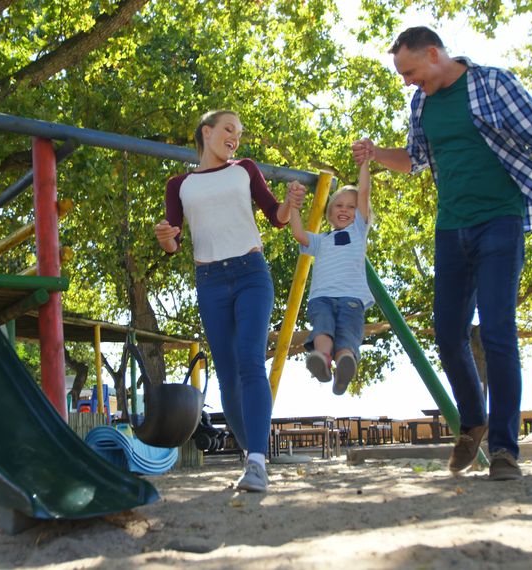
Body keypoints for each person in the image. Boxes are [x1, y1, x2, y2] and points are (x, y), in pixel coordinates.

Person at [352, 26, 532, 481]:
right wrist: (374, 153)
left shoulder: (493, 84)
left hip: (499, 222)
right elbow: (415, 159)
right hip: (451, 229)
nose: (407, 81)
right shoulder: (422, 103)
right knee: (448, 333)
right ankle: (473, 421)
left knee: (499, 331)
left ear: (433, 53)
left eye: (410, 71)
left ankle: (505, 450)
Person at [154, 110, 305, 493]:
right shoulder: (179, 185)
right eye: (228, 129)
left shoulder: (245, 169)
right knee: (227, 377)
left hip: (251, 273)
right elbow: (172, 243)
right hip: (210, 281)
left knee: (251, 361)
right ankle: (253, 453)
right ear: (207, 132)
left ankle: (256, 461)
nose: (235, 137)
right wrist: (165, 237)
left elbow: (276, 217)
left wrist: (290, 203)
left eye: (238, 133)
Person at [287, 159, 374, 397]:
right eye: (339, 206)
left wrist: (365, 164)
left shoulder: (357, 231)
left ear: (359, 214)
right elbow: (298, 234)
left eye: (351, 207)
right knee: (323, 328)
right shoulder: (321, 239)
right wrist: (294, 206)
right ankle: (322, 360)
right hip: (322, 298)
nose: (344, 210)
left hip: (351, 299)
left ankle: (344, 364)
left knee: (346, 336)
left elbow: (364, 192)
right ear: (329, 212)